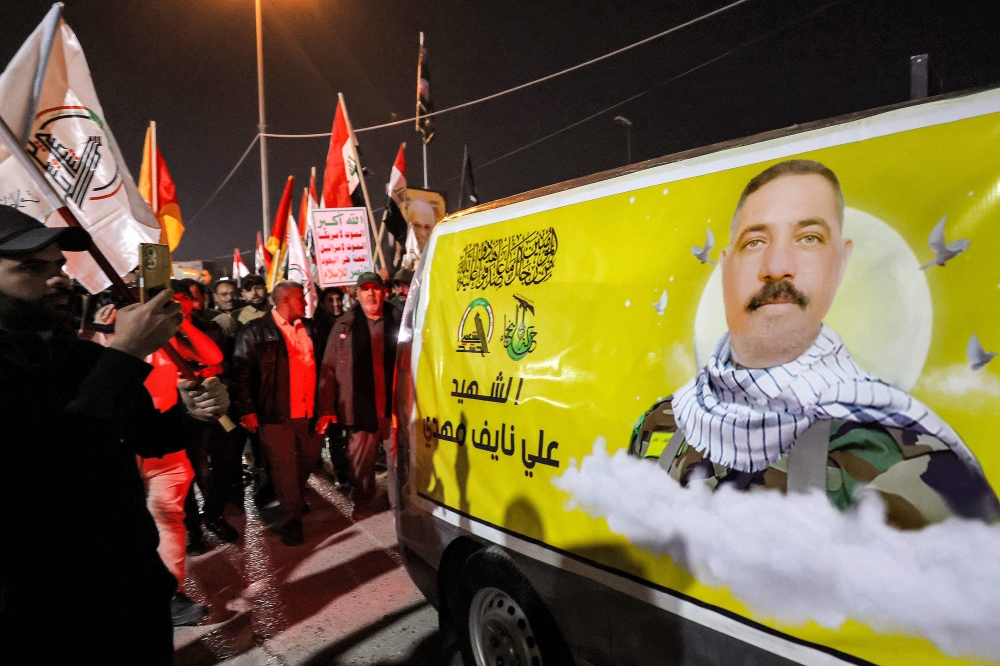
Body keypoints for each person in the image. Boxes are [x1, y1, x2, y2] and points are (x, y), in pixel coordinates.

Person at [639, 159, 999, 529]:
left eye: (809, 238)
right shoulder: (664, 422)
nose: (777, 266)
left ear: (841, 262)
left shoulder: (911, 463)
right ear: (727, 267)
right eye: (755, 241)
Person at [0, 206, 230, 663]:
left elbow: (147, 438)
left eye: (59, 266)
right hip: (39, 610)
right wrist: (123, 354)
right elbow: (49, 463)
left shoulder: (84, 359)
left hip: (130, 594)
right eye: (32, 267)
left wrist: (193, 415)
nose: (59, 279)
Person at [233, 281, 321, 545]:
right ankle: (290, 519)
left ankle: (291, 496)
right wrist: (248, 410)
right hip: (274, 414)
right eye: (300, 299)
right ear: (284, 301)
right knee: (284, 467)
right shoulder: (255, 332)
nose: (305, 304)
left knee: (308, 458)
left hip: (309, 412)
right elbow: (241, 374)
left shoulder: (313, 329)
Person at [318, 272, 401, 515]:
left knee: (399, 463)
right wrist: (326, 407)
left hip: (394, 407)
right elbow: (329, 369)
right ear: (357, 293)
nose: (371, 293)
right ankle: (363, 503)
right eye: (365, 289)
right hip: (359, 409)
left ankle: (399, 507)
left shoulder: (399, 320)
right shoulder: (345, 325)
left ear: (384, 291)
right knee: (361, 464)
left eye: (376, 288)